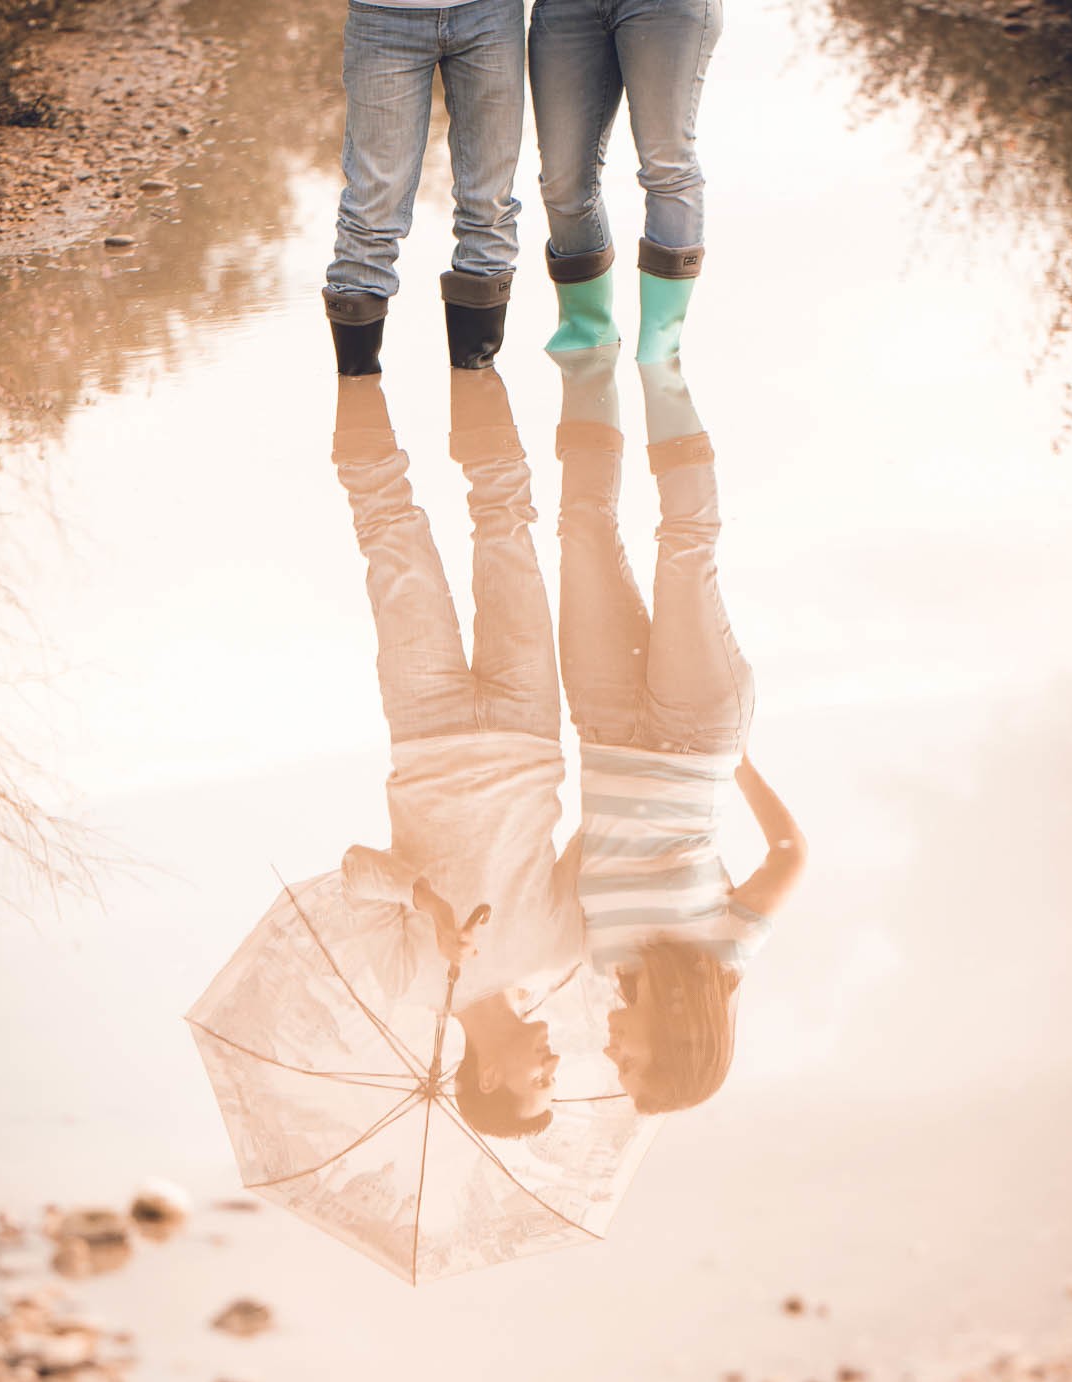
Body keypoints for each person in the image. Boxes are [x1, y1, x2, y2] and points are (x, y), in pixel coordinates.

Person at [328, 365, 583, 1136]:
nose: (553, 1069)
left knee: (388, 528)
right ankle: (474, 345)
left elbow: (354, 874)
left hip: (426, 728)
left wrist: (430, 907)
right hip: (529, 724)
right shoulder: (562, 956)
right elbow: (599, 831)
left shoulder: (411, 982)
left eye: (537, 1085)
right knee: (506, 517)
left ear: (489, 1077)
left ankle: (356, 349)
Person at [553, 347, 807, 1111]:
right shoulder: (723, 956)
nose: (611, 1057)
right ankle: (661, 363)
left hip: (602, 725)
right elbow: (789, 854)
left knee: (580, 528)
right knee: (683, 545)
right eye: (629, 1067)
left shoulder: (600, 961)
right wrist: (738, 765)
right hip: (697, 734)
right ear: (669, 1047)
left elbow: (577, 851)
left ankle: (584, 361)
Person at [323, 0, 527, 376]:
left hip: (491, 14)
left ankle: (476, 395)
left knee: (489, 206)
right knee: (371, 209)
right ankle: (357, 392)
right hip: (383, 17)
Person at [527, 0, 722, 360]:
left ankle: (660, 351)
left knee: (667, 166)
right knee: (562, 181)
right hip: (566, 9)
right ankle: (585, 334)